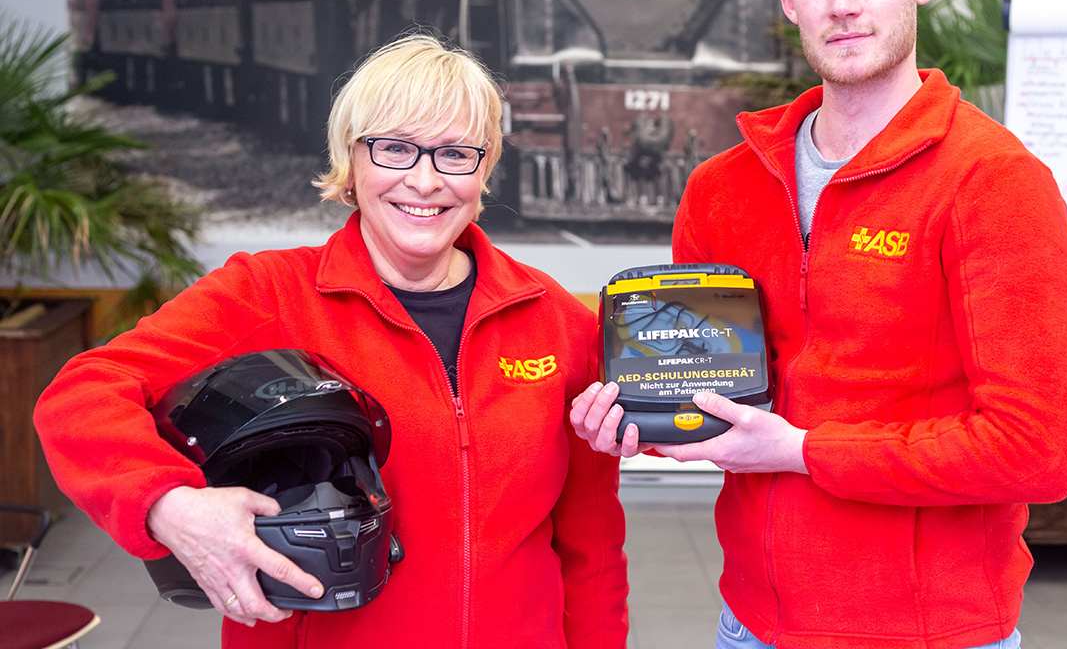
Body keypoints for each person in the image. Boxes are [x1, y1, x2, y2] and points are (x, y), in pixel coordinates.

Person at [571, 0, 1067, 649]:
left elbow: (1038, 451)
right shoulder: (724, 188)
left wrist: (806, 453)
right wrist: (640, 423)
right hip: (752, 623)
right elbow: (731, 411)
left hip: (933, 634)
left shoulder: (995, 183)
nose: (842, 4)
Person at [35, 34, 629, 648]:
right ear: (352, 160)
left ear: (485, 171)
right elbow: (81, 396)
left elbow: (591, 545)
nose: (425, 181)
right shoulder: (267, 294)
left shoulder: (554, 318)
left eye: (456, 154)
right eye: (395, 149)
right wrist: (168, 504)